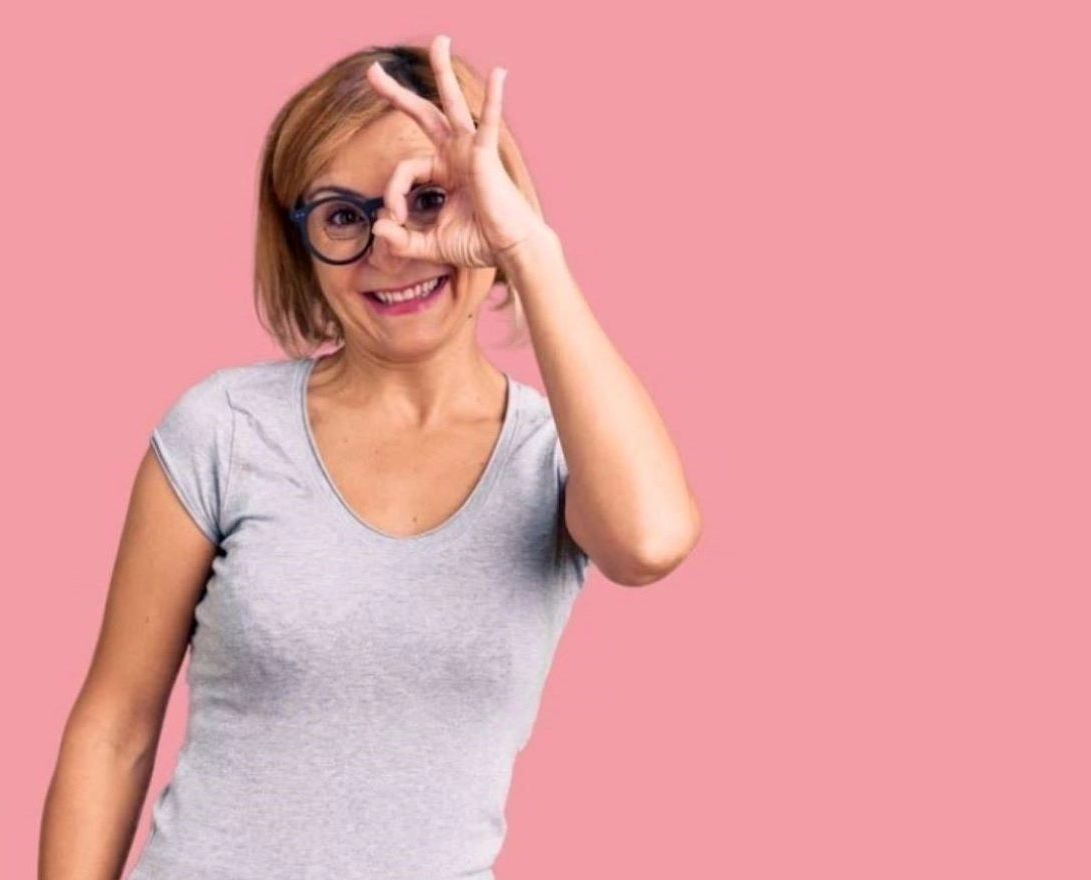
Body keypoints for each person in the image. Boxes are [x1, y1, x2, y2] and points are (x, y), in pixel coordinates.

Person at [39, 34, 702, 880]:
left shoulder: (555, 456)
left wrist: (528, 248)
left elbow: (649, 542)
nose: (393, 245)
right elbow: (116, 727)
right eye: (343, 215)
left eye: (428, 199)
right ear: (302, 242)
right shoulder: (226, 428)